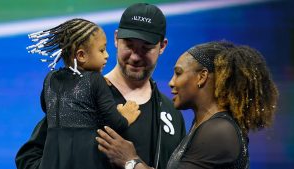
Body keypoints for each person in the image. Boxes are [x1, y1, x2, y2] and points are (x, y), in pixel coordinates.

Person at [15, 3, 186, 169]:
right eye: (129, 45)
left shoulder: (172, 112)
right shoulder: (79, 93)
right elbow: (28, 157)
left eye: (146, 48)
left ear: (162, 46)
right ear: (116, 39)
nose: (135, 56)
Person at [96, 41, 279, 169]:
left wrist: (130, 160)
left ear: (202, 77)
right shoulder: (204, 125)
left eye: (178, 73)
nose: (171, 82)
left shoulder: (219, 131)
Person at [17, 18, 141, 169]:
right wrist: (125, 117)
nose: (107, 55)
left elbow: (46, 107)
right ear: (81, 56)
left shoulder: (50, 78)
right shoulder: (95, 80)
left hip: (52, 160)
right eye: (102, 50)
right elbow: (114, 124)